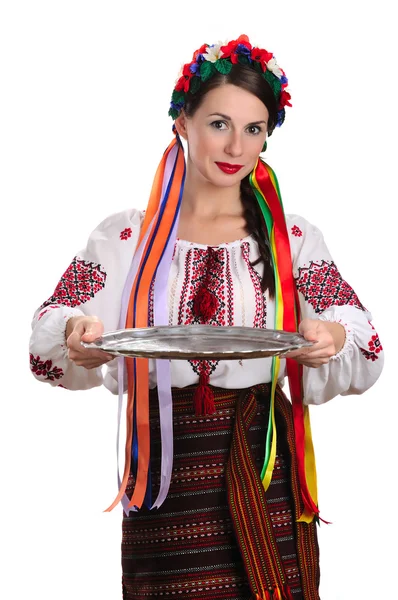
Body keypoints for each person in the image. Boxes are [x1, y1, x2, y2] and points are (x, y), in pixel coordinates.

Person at [29, 34, 384, 600]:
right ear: (181, 121)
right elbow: (49, 336)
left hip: (262, 461)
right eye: (219, 123)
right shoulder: (126, 237)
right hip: (165, 470)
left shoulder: (290, 240)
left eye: (254, 129)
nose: (236, 146)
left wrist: (331, 336)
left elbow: (364, 345)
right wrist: (77, 336)